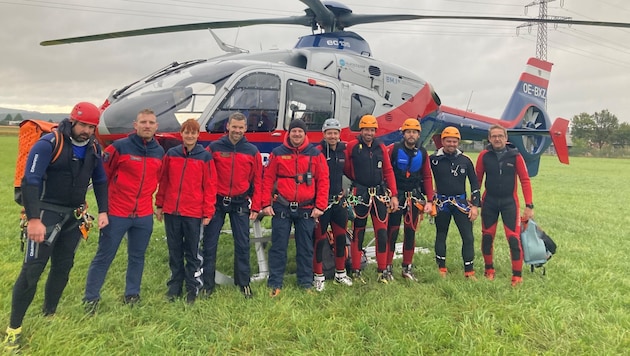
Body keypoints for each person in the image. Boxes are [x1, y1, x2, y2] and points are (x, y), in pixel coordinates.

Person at [3, 102, 109, 352]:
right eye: (83, 125)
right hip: (45, 213)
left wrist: (103, 210)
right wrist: (34, 219)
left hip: (74, 216)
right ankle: (13, 329)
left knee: (63, 267)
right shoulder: (49, 144)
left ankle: (49, 312)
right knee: (32, 271)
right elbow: (31, 180)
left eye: (91, 127)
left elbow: (101, 180)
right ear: (72, 121)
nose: (86, 130)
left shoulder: (93, 148)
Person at [83, 108, 164, 313]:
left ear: (156, 127)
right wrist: (104, 208)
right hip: (117, 212)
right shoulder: (119, 148)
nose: (147, 126)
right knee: (104, 255)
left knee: (137, 256)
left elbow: (161, 180)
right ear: (135, 125)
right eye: (143, 122)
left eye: (151, 123)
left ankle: (132, 294)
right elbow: (102, 178)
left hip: (144, 214)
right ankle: (91, 298)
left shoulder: (159, 152)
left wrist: (159, 205)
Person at [261, 119, 329, 297]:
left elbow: (323, 180)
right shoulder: (278, 153)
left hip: (306, 208)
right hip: (282, 207)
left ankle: (305, 283)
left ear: (305, 134)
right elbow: (267, 178)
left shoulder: (315, 154)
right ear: (288, 133)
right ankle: (275, 282)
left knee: (306, 247)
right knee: (278, 246)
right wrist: (266, 203)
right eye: (294, 131)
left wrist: (320, 206)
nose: (297, 134)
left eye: (300, 131)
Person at [155, 119, 216, 304]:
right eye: (186, 132)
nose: (190, 136)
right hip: (172, 211)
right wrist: (159, 205)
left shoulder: (205, 157)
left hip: (194, 213)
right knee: (174, 251)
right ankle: (174, 287)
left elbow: (210, 186)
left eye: (193, 132)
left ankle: (192, 287)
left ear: (198, 135)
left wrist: (208, 211)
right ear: (181, 134)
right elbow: (163, 181)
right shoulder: (171, 155)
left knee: (192, 252)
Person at [203, 112, 263, 299]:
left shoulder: (252, 151)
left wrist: (256, 206)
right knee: (209, 244)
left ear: (245, 128)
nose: (237, 130)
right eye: (234, 126)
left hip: (240, 202)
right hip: (217, 202)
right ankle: (207, 284)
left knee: (242, 244)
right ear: (227, 126)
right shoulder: (214, 148)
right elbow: (205, 176)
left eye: (241, 127)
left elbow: (258, 180)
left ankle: (243, 283)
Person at [476, 124, 534, 287]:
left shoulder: (515, 156)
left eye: (500, 136)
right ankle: (489, 270)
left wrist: (529, 205)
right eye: (494, 136)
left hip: (510, 202)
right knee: (487, 237)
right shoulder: (484, 156)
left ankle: (517, 275)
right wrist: (474, 201)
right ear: (489, 138)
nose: (497, 139)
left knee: (513, 239)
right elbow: (477, 180)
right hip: (489, 201)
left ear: (506, 138)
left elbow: (525, 180)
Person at [344, 115, 399, 284]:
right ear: (361, 130)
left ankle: (382, 270)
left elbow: (388, 171)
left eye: (372, 130)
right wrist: (356, 184)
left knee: (381, 232)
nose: (369, 133)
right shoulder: (353, 147)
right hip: (360, 193)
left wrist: (394, 195)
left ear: (375, 131)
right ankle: (356, 270)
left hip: (379, 193)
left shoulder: (380, 147)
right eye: (366, 129)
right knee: (358, 232)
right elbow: (346, 168)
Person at [386, 118, 434, 282]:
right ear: (404, 134)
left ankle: (407, 267)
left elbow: (427, 176)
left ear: (418, 134)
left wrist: (429, 200)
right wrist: (389, 193)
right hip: (396, 196)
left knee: (410, 232)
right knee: (391, 232)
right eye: (408, 132)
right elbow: (385, 171)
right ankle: (387, 268)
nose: (411, 135)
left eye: (414, 132)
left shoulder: (423, 152)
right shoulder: (394, 149)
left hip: (413, 196)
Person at [430, 126, 480, 279]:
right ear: (442, 141)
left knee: (468, 237)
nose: (451, 144)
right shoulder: (434, 159)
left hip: (461, 203)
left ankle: (469, 271)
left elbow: (475, 184)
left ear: (458, 142)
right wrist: (429, 197)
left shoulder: (465, 160)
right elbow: (424, 178)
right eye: (448, 141)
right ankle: (441, 268)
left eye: (454, 141)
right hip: (442, 203)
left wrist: (475, 206)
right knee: (441, 234)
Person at [312, 118, 353, 291]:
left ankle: (340, 273)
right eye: (329, 133)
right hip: (322, 202)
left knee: (340, 237)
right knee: (320, 239)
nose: (332, 136)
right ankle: (318, 275)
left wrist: (349, 189)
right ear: (324, 134)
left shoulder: (343, 151)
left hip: (339, 200)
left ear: (339, 134)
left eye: (335, 133)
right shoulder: (317, 151)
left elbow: (350, 172)